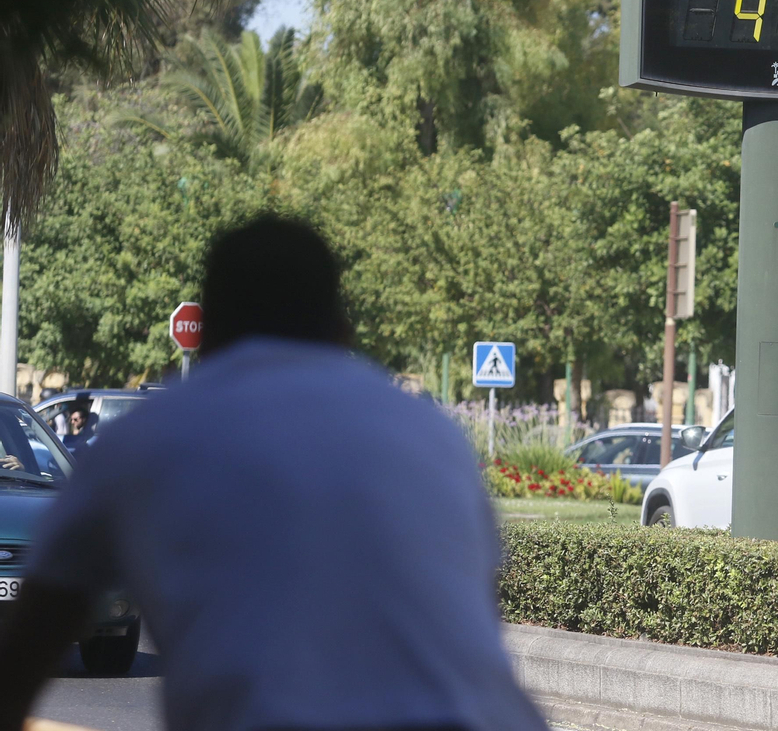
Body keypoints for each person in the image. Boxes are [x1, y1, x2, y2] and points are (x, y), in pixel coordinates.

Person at [0, 215, 549, 731]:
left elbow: (32, 643)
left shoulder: (148, 440)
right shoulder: (432, 435)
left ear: (209, 331)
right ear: (342, 331)